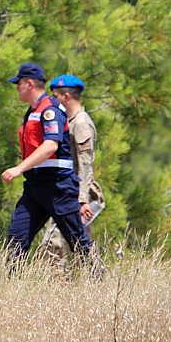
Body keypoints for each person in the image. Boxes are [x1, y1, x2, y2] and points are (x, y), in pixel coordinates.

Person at [1, 63, 102, 278]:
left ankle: (99, 279)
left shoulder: (50, 111)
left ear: (29, 84)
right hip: (35, 187)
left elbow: (51, 146)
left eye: (19, 83)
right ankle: (9, 286)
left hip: (58, 187)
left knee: (77, 240)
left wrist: (18, 169)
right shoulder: (32, 112)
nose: (17, 88)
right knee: (17, 238)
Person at [41, 74, 105, 272]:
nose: (52, 101)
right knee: (79, 246)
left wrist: (82, 199)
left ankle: (59, 288)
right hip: (68, 192)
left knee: (53, 244)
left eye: (55, 96)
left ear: (66, 96)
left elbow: (86, 165)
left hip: (76, 195)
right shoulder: (70, 121)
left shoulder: (81, 124)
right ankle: (95, 283)